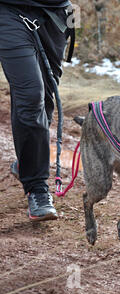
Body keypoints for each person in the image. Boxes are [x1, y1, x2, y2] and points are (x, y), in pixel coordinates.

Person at [0, 0, 73, 221]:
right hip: (8, 10)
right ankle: (38, 189)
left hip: (58, 13)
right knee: (31, 95)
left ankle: (28, 160)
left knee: (45, 98)